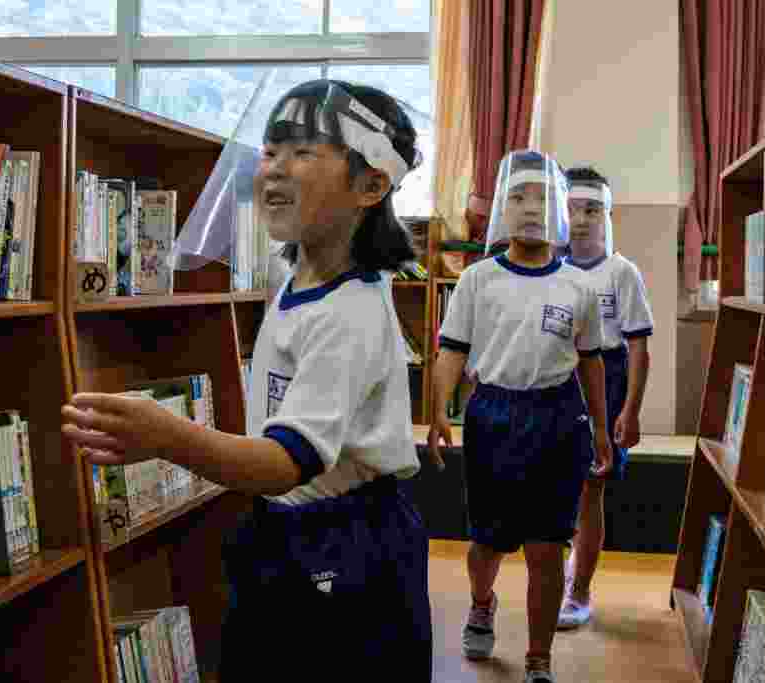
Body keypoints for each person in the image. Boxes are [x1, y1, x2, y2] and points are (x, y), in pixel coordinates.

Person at [61, 79, 433, 681]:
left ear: (371, 185)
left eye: (304, 152)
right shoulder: (297, 280)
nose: (275, 169)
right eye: (269, 150)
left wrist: (167, 436)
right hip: (289, 531)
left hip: (349, 546)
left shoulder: (352, 310)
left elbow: (287, 463)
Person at [428, 150, 613, 683]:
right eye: (518, 197)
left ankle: (539, 656)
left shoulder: (578, 286)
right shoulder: (478, 280)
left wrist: (601, 428)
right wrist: (440, 410)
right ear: (502, 209)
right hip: (493, 416)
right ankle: (481, 602)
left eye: (542, 199)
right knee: (486, 541)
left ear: (557, 210)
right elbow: (451, 351)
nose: (531, 209)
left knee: (547, 547)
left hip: (557, 419)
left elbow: (592, 363)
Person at [557, 165, 653, 630]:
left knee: (590, 490)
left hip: (607, 384)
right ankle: (556, 576)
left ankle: (579, 592)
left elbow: (638, 348)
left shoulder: (622, 273)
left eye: (591, 210)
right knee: (556, 491)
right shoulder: (548, 269)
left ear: (606, 213)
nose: (580, 220)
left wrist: (630, 410)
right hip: (554, 385)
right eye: (572, 210)